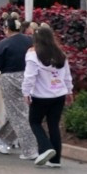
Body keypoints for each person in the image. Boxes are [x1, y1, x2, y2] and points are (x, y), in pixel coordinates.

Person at [23, 25, 74, 166]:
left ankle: (46, 148)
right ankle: (55, 160)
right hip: (59, 95)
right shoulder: (60, 54)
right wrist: (69, 91)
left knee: (34, 122)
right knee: (53, 125)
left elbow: (29, 77)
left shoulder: (32, 54)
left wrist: (26, 93)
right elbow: (67, 76)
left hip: (40, 96)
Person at [0, 16, 37, 162]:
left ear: (6, 28)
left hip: (9, 79)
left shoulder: (4, 43)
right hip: (30, 78)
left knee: (17, 114)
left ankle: (30, 150)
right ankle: (6, 141)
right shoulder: (30, 41)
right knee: (20, 112)